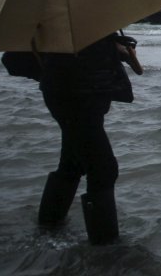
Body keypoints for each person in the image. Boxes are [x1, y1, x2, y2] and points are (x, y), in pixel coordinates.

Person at [35, 32, 141, 244]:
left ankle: (48, 227)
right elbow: (80, 56)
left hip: (77, 94)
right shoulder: (71, 19)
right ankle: (106, 249)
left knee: (72, 163)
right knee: (103, 169)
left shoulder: (81, 18)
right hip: (76, 95)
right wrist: (111, 48)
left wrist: (114, 46)